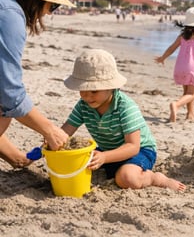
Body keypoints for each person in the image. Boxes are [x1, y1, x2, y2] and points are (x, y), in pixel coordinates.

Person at [61, 49, 186, 191]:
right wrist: (41, 150)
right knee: (71, 163)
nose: (88, 97)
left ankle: (155, 178)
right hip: (106, 151)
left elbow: (133, 146)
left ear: (111, 86)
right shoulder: (83, 106)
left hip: (139, 151)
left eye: (94, 91)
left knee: (126, 178)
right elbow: (64, 132)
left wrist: (104, 157)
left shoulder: (125, 107)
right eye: (83, 90)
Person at [0, 0, 75, 168]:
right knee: (6, 105)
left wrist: (17, 159)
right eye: (53, 5)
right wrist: (49, 129)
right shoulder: (9, 15)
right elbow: (9, 93)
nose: (50, 13)